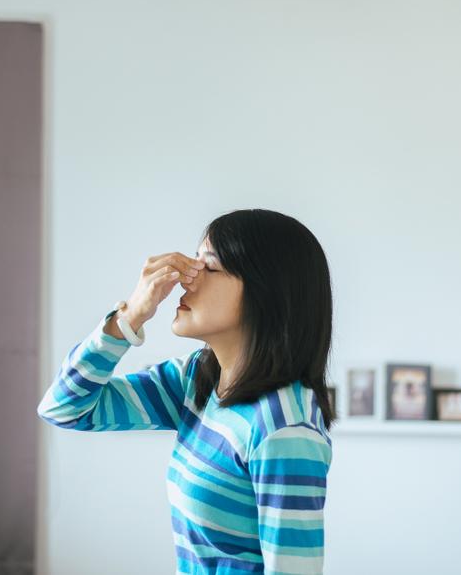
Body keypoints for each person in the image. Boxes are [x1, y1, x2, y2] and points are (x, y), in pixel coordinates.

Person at [37, 208, 335, 575]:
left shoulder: (283, 426)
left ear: (266, 291)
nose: (186, 281)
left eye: (208, 268)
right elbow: (64, 408)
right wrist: (129, 317)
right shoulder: (196, 379)